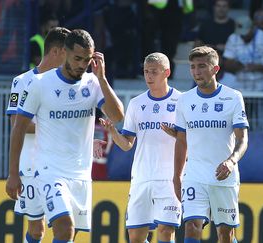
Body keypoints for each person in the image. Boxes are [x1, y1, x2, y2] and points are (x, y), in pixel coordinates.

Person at [6, 29, 124, 242]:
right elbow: (18, 127)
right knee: (53, 229)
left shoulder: (93, 83)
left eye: (86, 60)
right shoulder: (36, 83)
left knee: (67, 235)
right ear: (64, 53)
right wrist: (13, 172)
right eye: (77, 58)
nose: (82, 64)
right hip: (45, 171)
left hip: (80, 174)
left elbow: (117, 116)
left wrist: (103, 79)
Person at [100, 52, 182, 243]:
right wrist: (113, 132)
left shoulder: (182, 101)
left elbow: (192, 141)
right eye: (146, 71)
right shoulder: (137, 103)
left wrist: (176, 135)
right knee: (135, 237)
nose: (149, 76)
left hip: (169, 179)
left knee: (165, 231)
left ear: (167, 72)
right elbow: (128, 144)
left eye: (154, 72)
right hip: (141, 178)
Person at [173, 46, 249, 243]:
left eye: (202, 66)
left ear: (215, 69)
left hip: (224, 175)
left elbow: (243, 139)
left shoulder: (233, 97)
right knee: (191, 226)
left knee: (225, 234)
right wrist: (176, 176)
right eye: (192, 67)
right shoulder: (184, 100)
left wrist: (231, 161)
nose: (196, 72)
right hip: (195, 175)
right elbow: (181, 141)